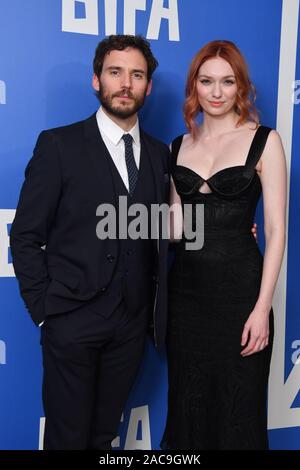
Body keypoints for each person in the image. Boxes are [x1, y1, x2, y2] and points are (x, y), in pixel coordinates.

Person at [10, 35, 171, 450]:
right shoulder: (58, 145)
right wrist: (46, 312)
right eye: (115, 72)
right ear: (96, 81)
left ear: (148, 86)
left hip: (130, 326)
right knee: (67, 439)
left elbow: (162, 226)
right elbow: (26, 236)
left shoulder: (159, 155)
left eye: (136, 75)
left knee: (103, 437)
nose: (125, 83)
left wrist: (228, 229)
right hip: (70, 319)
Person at [162, 40, 286, 450]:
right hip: (185, 299)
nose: (216, 92)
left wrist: (262, 309)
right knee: (187, 407)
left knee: (239, 411)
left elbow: (276, 227)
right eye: (207, 81)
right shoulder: (178, 147)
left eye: (227, 82)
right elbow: (176, 227)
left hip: (240, 298)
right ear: (194, 86)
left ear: (241, 87)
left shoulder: (265, 141)